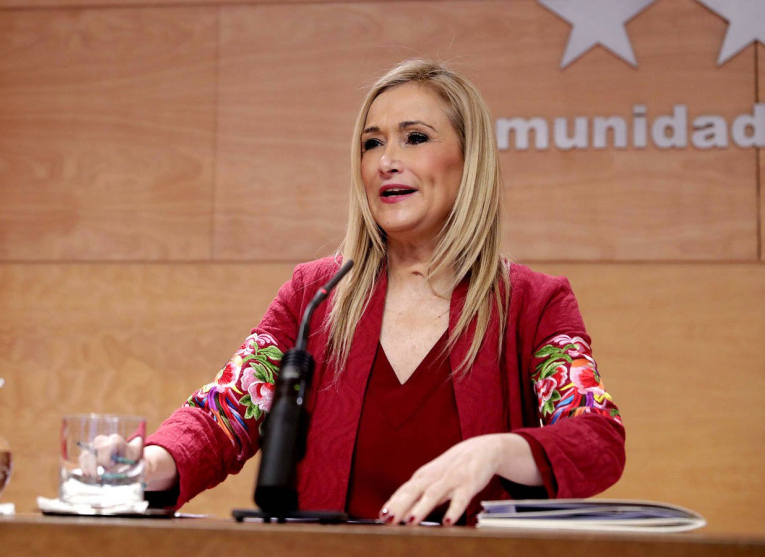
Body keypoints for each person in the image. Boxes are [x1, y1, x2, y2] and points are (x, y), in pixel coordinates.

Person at [98, 59, 625, 526]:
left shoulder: (534, 303)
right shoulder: (315, 294)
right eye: (372, 143)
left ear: (470, 160)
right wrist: (150, 463)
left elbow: (598, 439)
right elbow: (226, 413)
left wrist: (498, 451)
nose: (385, 161)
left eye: (414, 138)